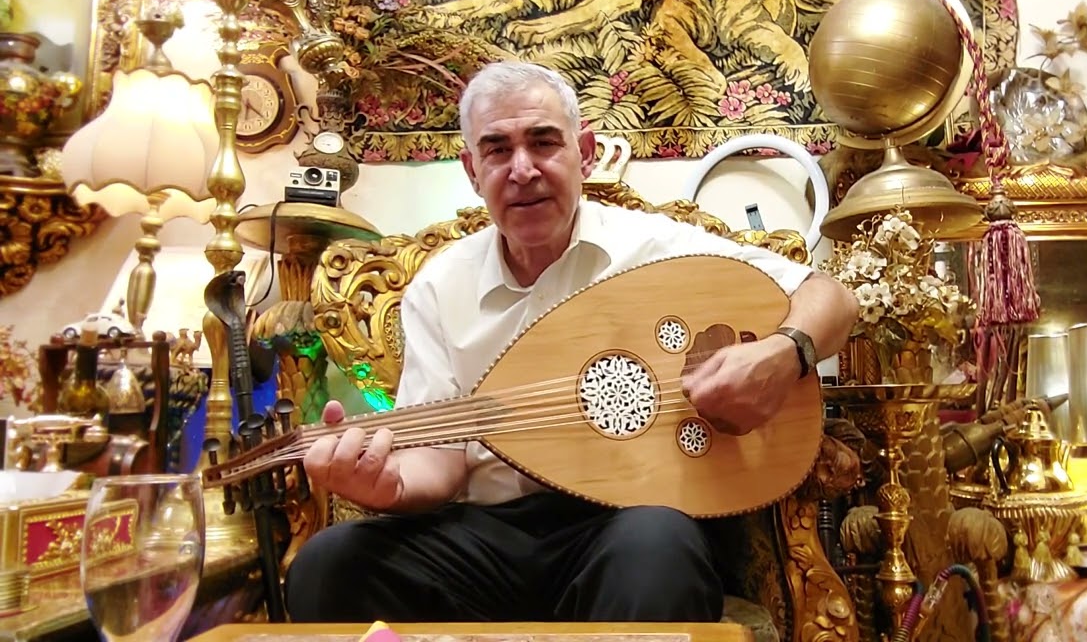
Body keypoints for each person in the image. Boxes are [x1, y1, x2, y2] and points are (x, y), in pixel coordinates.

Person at [284, 61, 860, 624]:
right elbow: (440, 462)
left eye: (543, 142)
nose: (523, 169)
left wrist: (785, 353)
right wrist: (388, 485)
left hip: (623, 524)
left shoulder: (655, 249)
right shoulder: (439, 286)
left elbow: (832, 297)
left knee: (656, 548)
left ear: (584, 153)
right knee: (327, 566)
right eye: (497, 150)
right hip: (487, 538)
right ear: (472, 170)